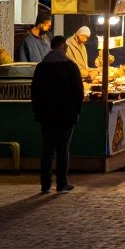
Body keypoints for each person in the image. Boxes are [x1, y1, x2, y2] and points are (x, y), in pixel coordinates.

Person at [31, 35, 83, 194]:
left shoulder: (41, 67)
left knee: (47, 149)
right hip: (66, 115)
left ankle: (45, 185)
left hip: (46, 115)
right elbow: (78, 93)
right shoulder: (71, 67)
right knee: (62, 149)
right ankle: (62, 184)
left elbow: (34, 92)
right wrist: (77, 111)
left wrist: (38, 112)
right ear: (63, 47)